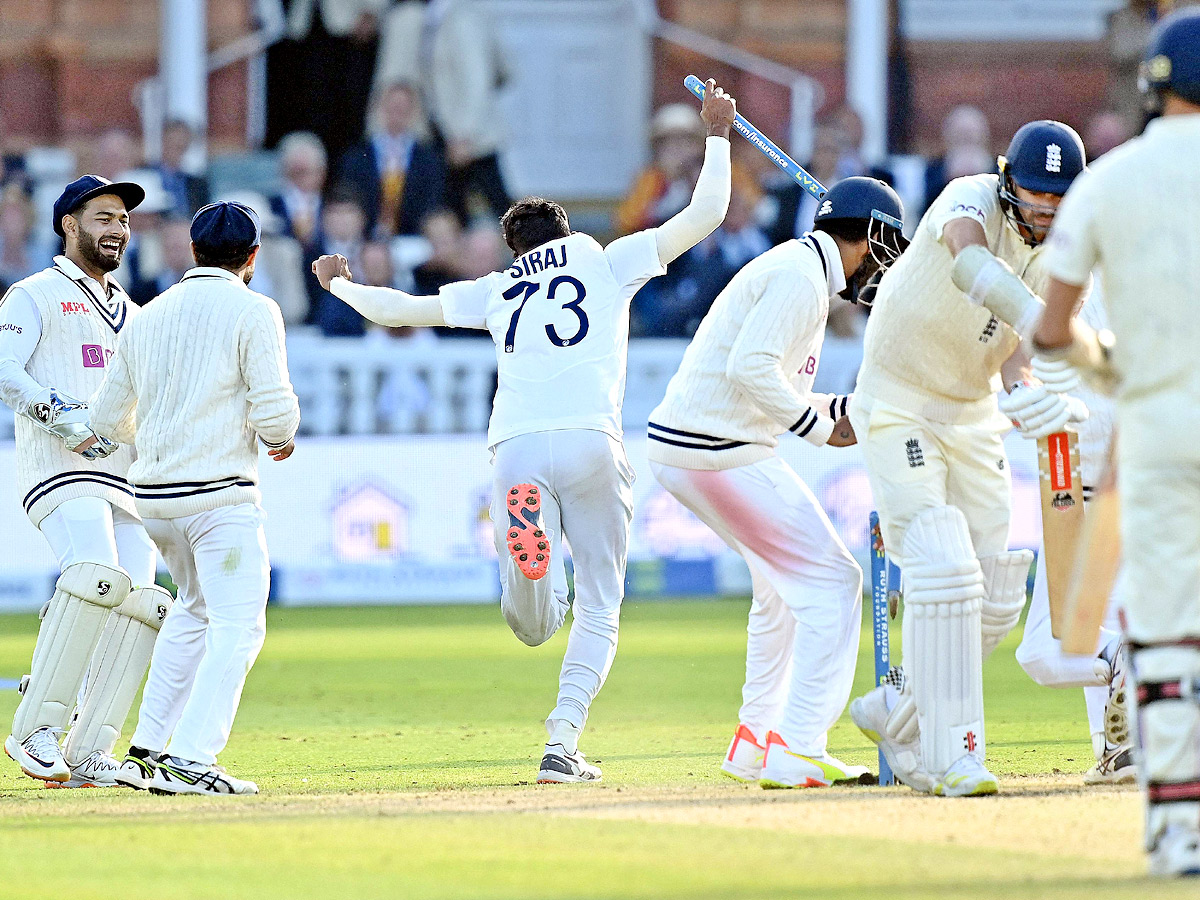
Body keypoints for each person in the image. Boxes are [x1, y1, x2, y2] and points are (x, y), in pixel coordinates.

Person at [310, 79, 738, 782]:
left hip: (514, 446)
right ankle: (561, 742)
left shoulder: (497, 289)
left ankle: (533, 558)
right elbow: (707, 212)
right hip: (590, 439)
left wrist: (340, 285)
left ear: (513, 249)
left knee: (530, 625)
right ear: (566, 235)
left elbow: (396, 311)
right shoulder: (605, 260)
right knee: (601, 602)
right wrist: (717, 135)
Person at [980, 9, 1200, 876]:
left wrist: (1113, 372)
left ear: (1152, 85)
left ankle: (1177, 826)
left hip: (1150, 425)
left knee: (1163, 630)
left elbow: (1055, 331)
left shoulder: (1109, 181)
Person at [846, 119, 1089, 797]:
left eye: (1058, 203)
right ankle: (958, 757)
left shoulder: (1073, 245)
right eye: (1035, 201)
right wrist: (1046, 327)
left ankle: (898, 710)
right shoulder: (969, 197)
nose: (1045, 214)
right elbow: (968, 260)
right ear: (1010, 181)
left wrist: (1032, 391)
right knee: (943, 565)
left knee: (994, 597)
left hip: (973, 410)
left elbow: (1019, 344)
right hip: (899, 400)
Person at [647, 177, 907, 789]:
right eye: (884, 248)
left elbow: (769, 379)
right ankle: (798, 747)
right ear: (868, 235)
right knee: (834, 581)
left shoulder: (801, 270)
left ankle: (755, 741)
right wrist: (819, 427)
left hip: (702, 445)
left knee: (779, 590)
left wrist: (845, 409)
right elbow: (751, 367)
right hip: (715, 450)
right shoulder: (800, 278)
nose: (879, 268)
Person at [89, 201, 300, 795]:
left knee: (193, 611)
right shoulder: (254, 309)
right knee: (240, 627)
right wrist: (281, 437)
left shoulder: (146, 316)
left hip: (154, 499)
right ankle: (192, 757)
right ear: (252, 258)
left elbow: (109, 419)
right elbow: (274, 405)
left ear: (193, 250)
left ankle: (147, 750)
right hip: (217, 499)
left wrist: (168, 427)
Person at [0, 174, 170, 789]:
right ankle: (34, 731)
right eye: (103, 217)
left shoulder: (135, 310)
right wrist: (63, 416)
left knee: (140, 604)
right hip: (62, 468)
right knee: (96, 578)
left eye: (122, 220)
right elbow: (4, 369)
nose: (117, 229)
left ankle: (90, 746)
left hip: (127, 478)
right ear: (69, 224)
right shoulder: (33, 294)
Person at [1009, 288, 1131, 785]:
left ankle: (1134, 656)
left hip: (1086, 483)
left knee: (1045, 650)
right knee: (1100, 631)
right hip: (1107, 482)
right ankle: (1120, 753)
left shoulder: (1080, 270)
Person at [337, 82, 447, 239]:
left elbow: (432, 203)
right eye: (393, 106)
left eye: (403, 108)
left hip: (412, 240)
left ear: (413, 111)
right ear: (380, 107)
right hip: (364, 240)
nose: (397, 112)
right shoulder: (357, 157)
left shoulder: (429, 160)